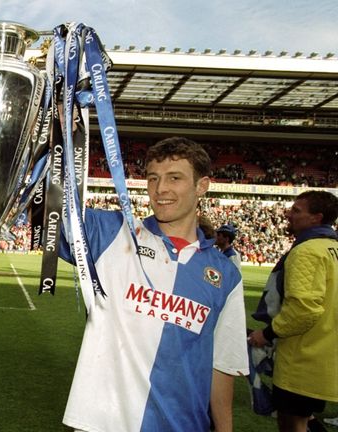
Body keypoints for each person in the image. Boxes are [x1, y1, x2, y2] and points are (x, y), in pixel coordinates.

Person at [61, 137, 248, 432]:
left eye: (175, 178)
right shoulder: (112, 233)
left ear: (202, 186)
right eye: (153, 179)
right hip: (99, 424)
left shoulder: (226, 275)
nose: (161, 189)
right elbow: (46, 207)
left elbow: (222, 366)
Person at [248, 190, 338, 432]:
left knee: (291, 422)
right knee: (305, 418)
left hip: (303, 357)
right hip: (325, 354)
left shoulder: (307, 251)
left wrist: (266, 334)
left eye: (296, 211)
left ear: (316, 218)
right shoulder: (332, 247)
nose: (288, 214)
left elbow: (304, 310)